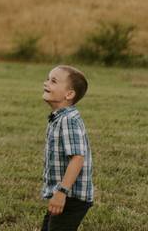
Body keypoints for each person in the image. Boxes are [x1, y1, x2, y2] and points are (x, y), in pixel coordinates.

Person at [40, 66, 94, 231]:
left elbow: (78, 158)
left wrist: (61, 192)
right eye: (48, 79)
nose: (46, 83)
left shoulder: (68, 120)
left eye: (53, 81)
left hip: (71, 196)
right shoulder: (60, 117)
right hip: (66, 194)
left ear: (69, 94)